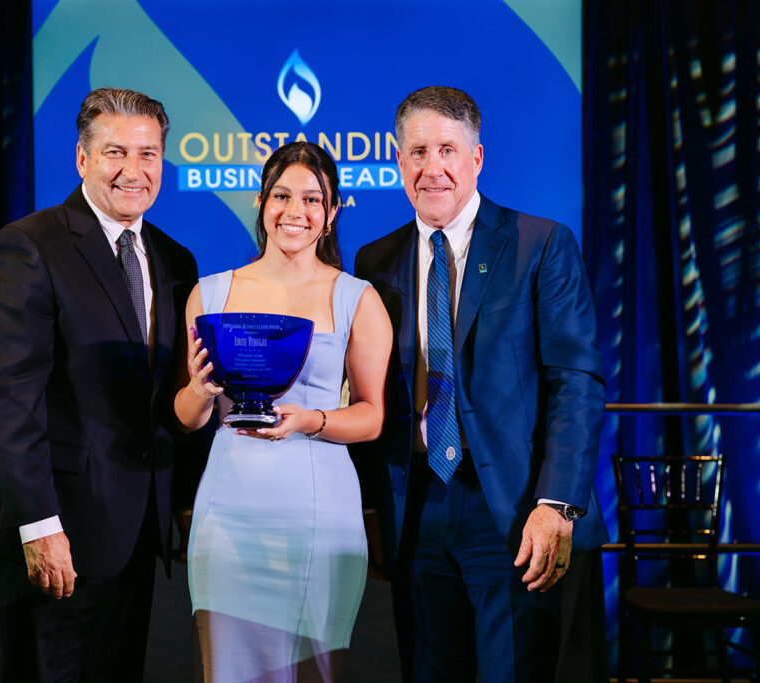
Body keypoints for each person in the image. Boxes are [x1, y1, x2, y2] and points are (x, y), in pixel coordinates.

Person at [351, 86, 609, 681]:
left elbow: (577, 381)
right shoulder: (376, 260)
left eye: (447, 149)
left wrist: (556, 504)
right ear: (397, 159)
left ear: (477, 158)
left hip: (515, 510)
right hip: (418, 508)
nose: (431, 168)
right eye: (416, 151)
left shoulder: (539, 244)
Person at [0, 87, 202, 682]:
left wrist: (181, 503)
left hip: (133, 536)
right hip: (52, 536)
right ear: (81, 159)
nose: (133, 170)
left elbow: (168, 397)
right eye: (114, 152)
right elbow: (9, 398)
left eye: (148, 154)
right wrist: (41, 527)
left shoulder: (176, 260)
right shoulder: (29, 246)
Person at [174, 141, 392, 681]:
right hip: (229, 512)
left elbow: (371, 417)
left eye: (313, 199)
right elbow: (187, 416)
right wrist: (202, 390)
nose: (295, 211)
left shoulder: (357, 297)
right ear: (261, 202)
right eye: (282, 195)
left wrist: (310, 420)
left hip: (320, 512)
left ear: (332, 213)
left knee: (315, 669)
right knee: (228, 668)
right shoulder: (211, 292)